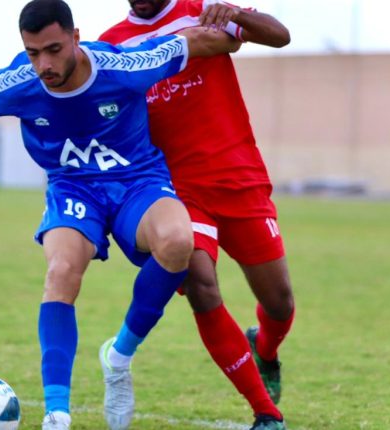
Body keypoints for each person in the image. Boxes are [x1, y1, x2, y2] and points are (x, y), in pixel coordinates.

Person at [0, 1, 239, 428]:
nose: (44, 64)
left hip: (137, 181)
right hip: (73, 187)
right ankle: (57, 414)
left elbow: (192, 41)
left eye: (54, 49)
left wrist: (236, 29)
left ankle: (118, 356)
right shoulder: (21, 81)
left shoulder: (123, 66)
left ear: (76, 38)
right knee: (61, 270)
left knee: (178, 242)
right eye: (33, 53)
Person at [100, 1, 294, 429]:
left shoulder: (202, 11)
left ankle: (265, 349)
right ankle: (266, 413)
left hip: (240, 181)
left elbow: (280, 37)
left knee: (280, 304)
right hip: (176, 191)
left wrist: (237, 16)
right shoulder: (112, 45)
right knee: (202, 287)